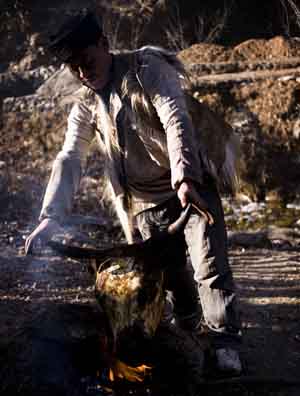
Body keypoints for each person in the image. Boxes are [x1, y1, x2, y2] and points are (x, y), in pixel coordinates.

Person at [25, 9, 242, 374]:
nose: (83, 72)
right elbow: (70, 156)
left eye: (87, 61)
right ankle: (190, 332)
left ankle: (224, 343)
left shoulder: (148, 70)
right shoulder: (85, 105)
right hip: (143, 202)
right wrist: (50, 217)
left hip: (189, 186)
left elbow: (175, 118)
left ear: (104, 45)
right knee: (170, 276)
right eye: (74, 68)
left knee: (209, 266)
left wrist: (185, 178)